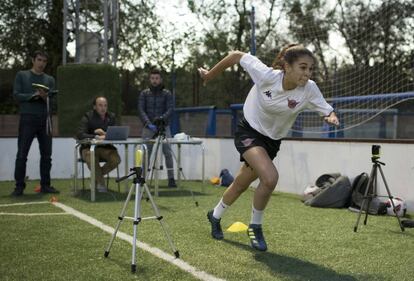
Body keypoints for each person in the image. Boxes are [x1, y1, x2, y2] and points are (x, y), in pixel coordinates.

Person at [198, 44, 340, 251]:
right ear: (287, 66)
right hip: (249, 131)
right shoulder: (266, 75)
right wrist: (209, 75)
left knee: (241, 183)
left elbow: (326, 110)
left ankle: (215, 215)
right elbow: (237, 55)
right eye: (303, 67)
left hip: (272, 141)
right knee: (270, 178)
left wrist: (330, 117)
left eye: (310, 69)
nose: (308, 73)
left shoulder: (309, 89)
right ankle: (255, 227)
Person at [11, 50, 59, 196]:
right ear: (33, 60)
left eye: (44, 61)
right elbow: (16, 95)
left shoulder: (49, 79)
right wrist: (34, 95)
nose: (42, 64)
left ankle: (45, 185)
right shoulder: (22, 75)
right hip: (28, 118)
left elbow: (54, 103)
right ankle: (19, 186)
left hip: (45, 119)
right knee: (22, 154)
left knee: (46, 155)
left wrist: (45, 98)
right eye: (39, 60)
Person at [138, 68, 177, 188]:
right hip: (148, 127)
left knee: (168, 153)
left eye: (157, 78)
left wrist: (161, 119)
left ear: (161, 79)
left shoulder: (167, 93)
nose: (154, 80)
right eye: (152, 78)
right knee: (146, 152)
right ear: (150, 79)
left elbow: (170, 109)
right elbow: (141, 109)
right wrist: (148, 123)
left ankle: (171, 179)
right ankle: (143, 178)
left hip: (164, 127)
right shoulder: (144, 93)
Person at [76, 96, 121, 192]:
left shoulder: (111, 116)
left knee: (116, 159)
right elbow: (80, 134)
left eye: (105, 105)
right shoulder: (88, 116)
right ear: (94, 107)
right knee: (91, 157)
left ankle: (95, 178)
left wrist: (104, 134)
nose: (103, 108)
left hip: (106, 148)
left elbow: (116, 133)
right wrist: (95, 136)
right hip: (88, 148)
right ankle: (101, 184)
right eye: (100, 105)